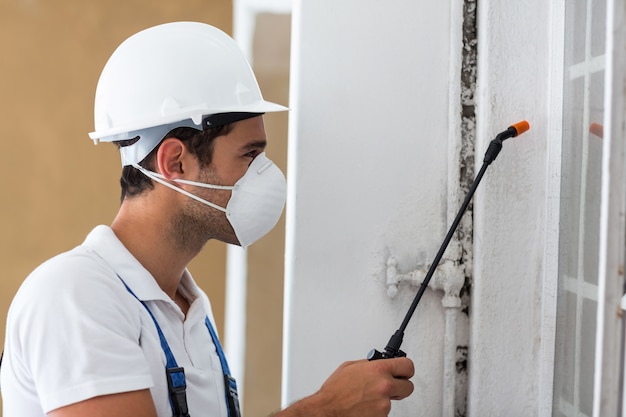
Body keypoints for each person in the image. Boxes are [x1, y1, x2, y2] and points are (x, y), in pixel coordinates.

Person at [0, 22, 414, 417]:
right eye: (249, 155)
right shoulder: (76, 297)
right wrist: (323, 410)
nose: (265, 175)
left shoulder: (190, 311)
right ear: (175, 162)